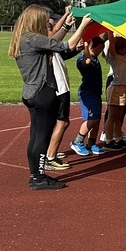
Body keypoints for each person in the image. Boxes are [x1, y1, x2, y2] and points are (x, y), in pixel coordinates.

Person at [8, 4, 91, 190]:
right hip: (43, 93)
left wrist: (66, 27)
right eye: (45, 20)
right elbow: (65, 45)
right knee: (42, 138)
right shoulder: (33, 38)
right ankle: (38, 178)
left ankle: (36, 175)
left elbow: (52, 42)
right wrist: (83, 26)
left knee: (36, 136)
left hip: (31, 92)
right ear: (36, 20)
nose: (48, 23)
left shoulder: (25, 38)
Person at [44, 12, 82, 171]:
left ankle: (49, 153)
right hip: (58, 88)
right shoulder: (45, 43)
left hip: (59, 87)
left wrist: (76, 49)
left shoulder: (47, 45)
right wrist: (74, 24)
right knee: (63, 121)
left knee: (55, 122)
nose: (54, 28)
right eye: (51, 26)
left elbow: (59, 55)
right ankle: (50, 157)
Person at [70, 34, 107, 156]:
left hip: (96, 93)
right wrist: (86, 45)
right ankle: (77, 141)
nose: (101, 50)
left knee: (97, 119)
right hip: (87, 94)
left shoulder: (95, 59)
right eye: (99, 48)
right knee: (92, 118)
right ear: (92, 47)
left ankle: (91, 143)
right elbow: (86, 62)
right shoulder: (83, 58)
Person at [104, 32, 126, 150]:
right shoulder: (114, 57)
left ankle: (118, 138)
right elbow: (111, 43)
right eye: (125, 47)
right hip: (116, 87)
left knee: (119, 116)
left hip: (125, 87)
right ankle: (108, 141)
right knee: (112, 116)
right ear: (120, 48)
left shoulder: (124, 58)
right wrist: (111, 33)